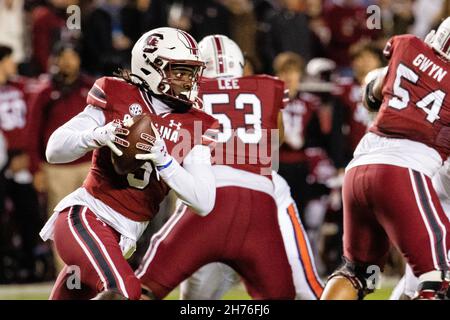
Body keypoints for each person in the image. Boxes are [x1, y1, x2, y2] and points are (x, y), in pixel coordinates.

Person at [136, 35, 323, 300]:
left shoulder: (184, 94)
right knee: (300, 292)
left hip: (205, 197)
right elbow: (274, 142)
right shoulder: (266, 86)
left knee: (159, 292)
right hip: (264, 194)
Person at [39, 27, 218, 300]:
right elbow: (54, 149)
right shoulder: (118, 94)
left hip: (122, 237)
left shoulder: (196, 122)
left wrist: (165, 161)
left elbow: (203, 202)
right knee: (124, 290)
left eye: (191, 73)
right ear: (151, 67)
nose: (188, 81)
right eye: (179, 71)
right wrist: (96, 135)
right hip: (86, 217)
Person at [321, 18, 450, 300]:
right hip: (405, 172)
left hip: (361, 166)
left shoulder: (408, 47)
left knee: (358, 273)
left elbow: (370, 94)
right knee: (438, 280)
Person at [180, 170, 323, 300]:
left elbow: (277, 141)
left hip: (265, 190)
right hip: (209, 194)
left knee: (306, 289)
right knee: (197, 299)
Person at [0, 45, 42, 282]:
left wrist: (27, 156)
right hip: (2, 160)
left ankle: (27, 265)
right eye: (9, 60)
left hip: (22, 160)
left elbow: (33, 120)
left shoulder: (22, 86)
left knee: (29, 214)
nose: (13, 65)